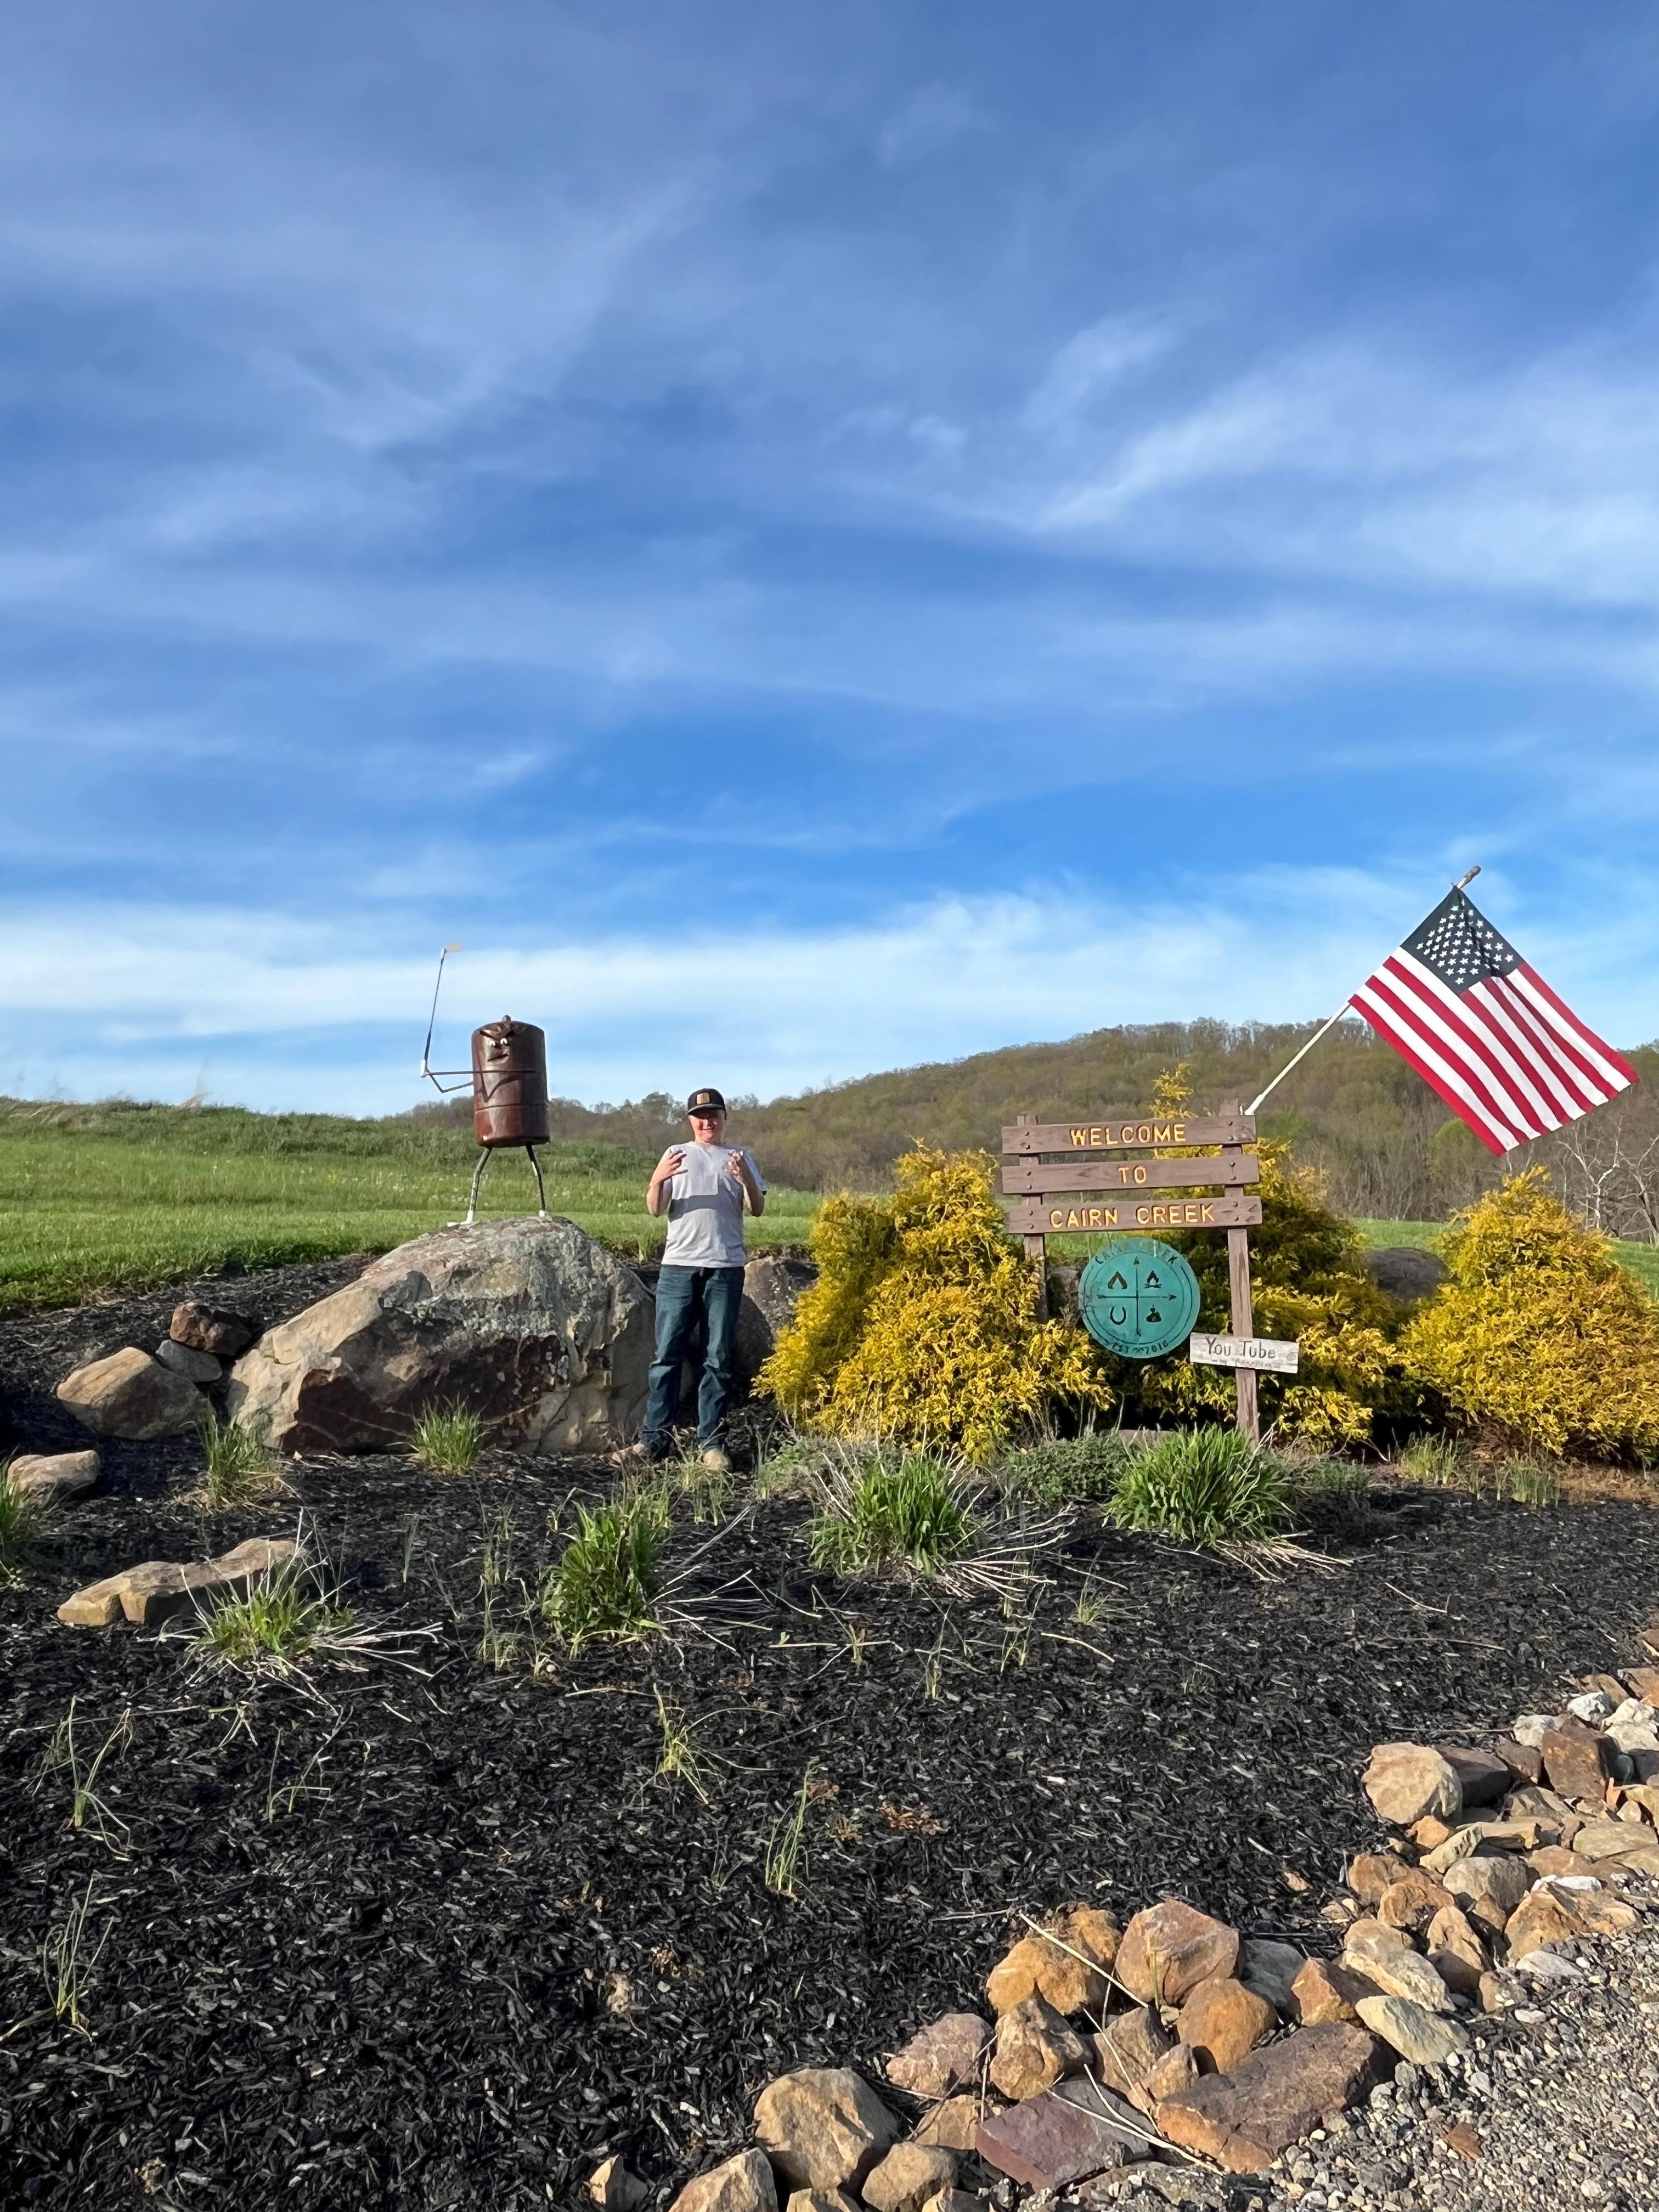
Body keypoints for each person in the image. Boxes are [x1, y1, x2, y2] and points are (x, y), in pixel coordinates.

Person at [639, 1087, 767, 1470]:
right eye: (700, 1115)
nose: (707, 1121)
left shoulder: (740, 1157)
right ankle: (654, 1440)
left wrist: (745, 1178)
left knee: (718, 1358)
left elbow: (758, 1208)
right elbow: (654, 1209)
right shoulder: (675, 1155)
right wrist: (658, 1178)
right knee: (667, 1355)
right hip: (679, 1267)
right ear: (691, 1121)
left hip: (725, 1268)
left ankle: (711, 1444)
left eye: (714, 1115)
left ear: (725, 1118)